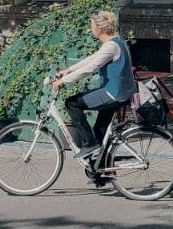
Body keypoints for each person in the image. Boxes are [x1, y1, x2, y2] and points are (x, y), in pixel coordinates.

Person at [52, 11, 136, 179]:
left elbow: (91, 68)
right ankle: (102, 168)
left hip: (113, 93)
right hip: (120, 93)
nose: (91, 29)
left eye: (92, 26)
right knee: (100, 129)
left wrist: (63, 81)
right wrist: (69, 70)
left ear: (100, 28)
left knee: (72, 103)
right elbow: (93, 58)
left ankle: (89, 143)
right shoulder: (116, 42)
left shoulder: (111, 46)